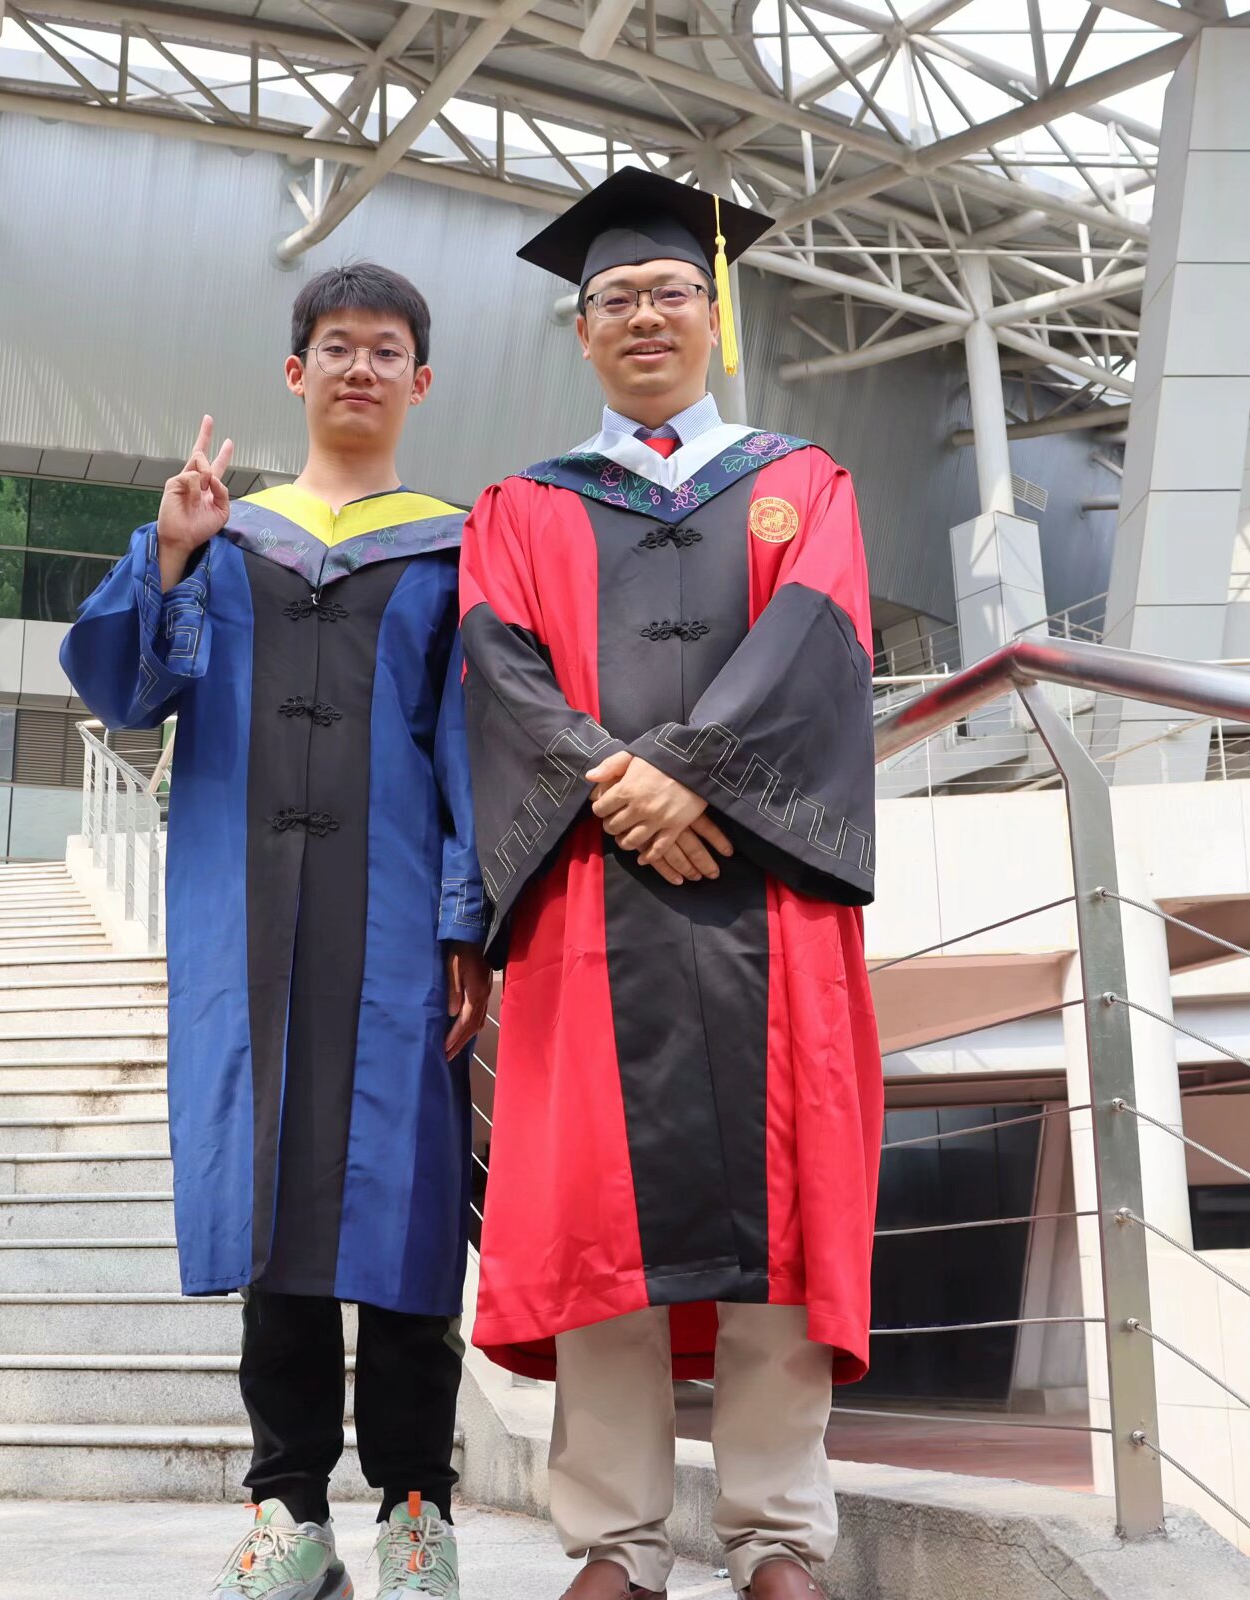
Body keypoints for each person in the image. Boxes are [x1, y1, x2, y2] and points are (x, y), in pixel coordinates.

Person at [458, 169, 882, 1600]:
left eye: (670, 293)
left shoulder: (803, 482)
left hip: (767, 900)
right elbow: (499, 672)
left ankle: (777, 1539)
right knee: (597, 1226)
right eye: (616, 299)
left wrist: (688, 772)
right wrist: (618, 782)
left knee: (785, 1224)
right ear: (580, 330)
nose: (645, 316)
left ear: (714, 313)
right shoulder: (520, 508)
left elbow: (818, 643)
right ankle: (616, 1546)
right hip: (595, 897)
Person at [61, 262, 490, 1600]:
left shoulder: (458, 546)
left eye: (386, 349)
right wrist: (169, 552)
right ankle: (289, 1513)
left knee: (411, 1214)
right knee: (274, 1220)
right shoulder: (224, 536)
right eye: (336, 346)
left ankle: (416, 1510)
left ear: (421, 381)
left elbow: (473, 742)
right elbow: (127, 688)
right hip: (248, 926)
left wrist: (468, 917)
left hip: (396, 923)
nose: (360, 367)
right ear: (295, 373)